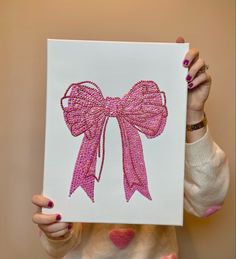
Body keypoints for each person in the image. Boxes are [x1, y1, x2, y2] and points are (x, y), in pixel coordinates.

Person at [32, 37, 230, 259]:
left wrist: (193, 112)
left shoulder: (165, 140)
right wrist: (56, 231)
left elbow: (207, 201)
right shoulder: (70, 142)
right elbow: (60, 246)